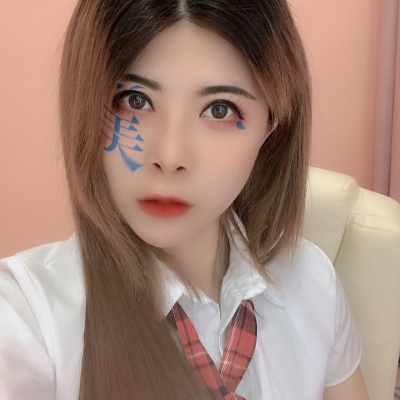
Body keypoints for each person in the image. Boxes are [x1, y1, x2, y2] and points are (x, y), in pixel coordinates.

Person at [0, 1, 370, 399]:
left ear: (272, 126)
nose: (169, 156)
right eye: (135, 100)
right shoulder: (29, 317)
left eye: (219, 109)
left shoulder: (311, 284)